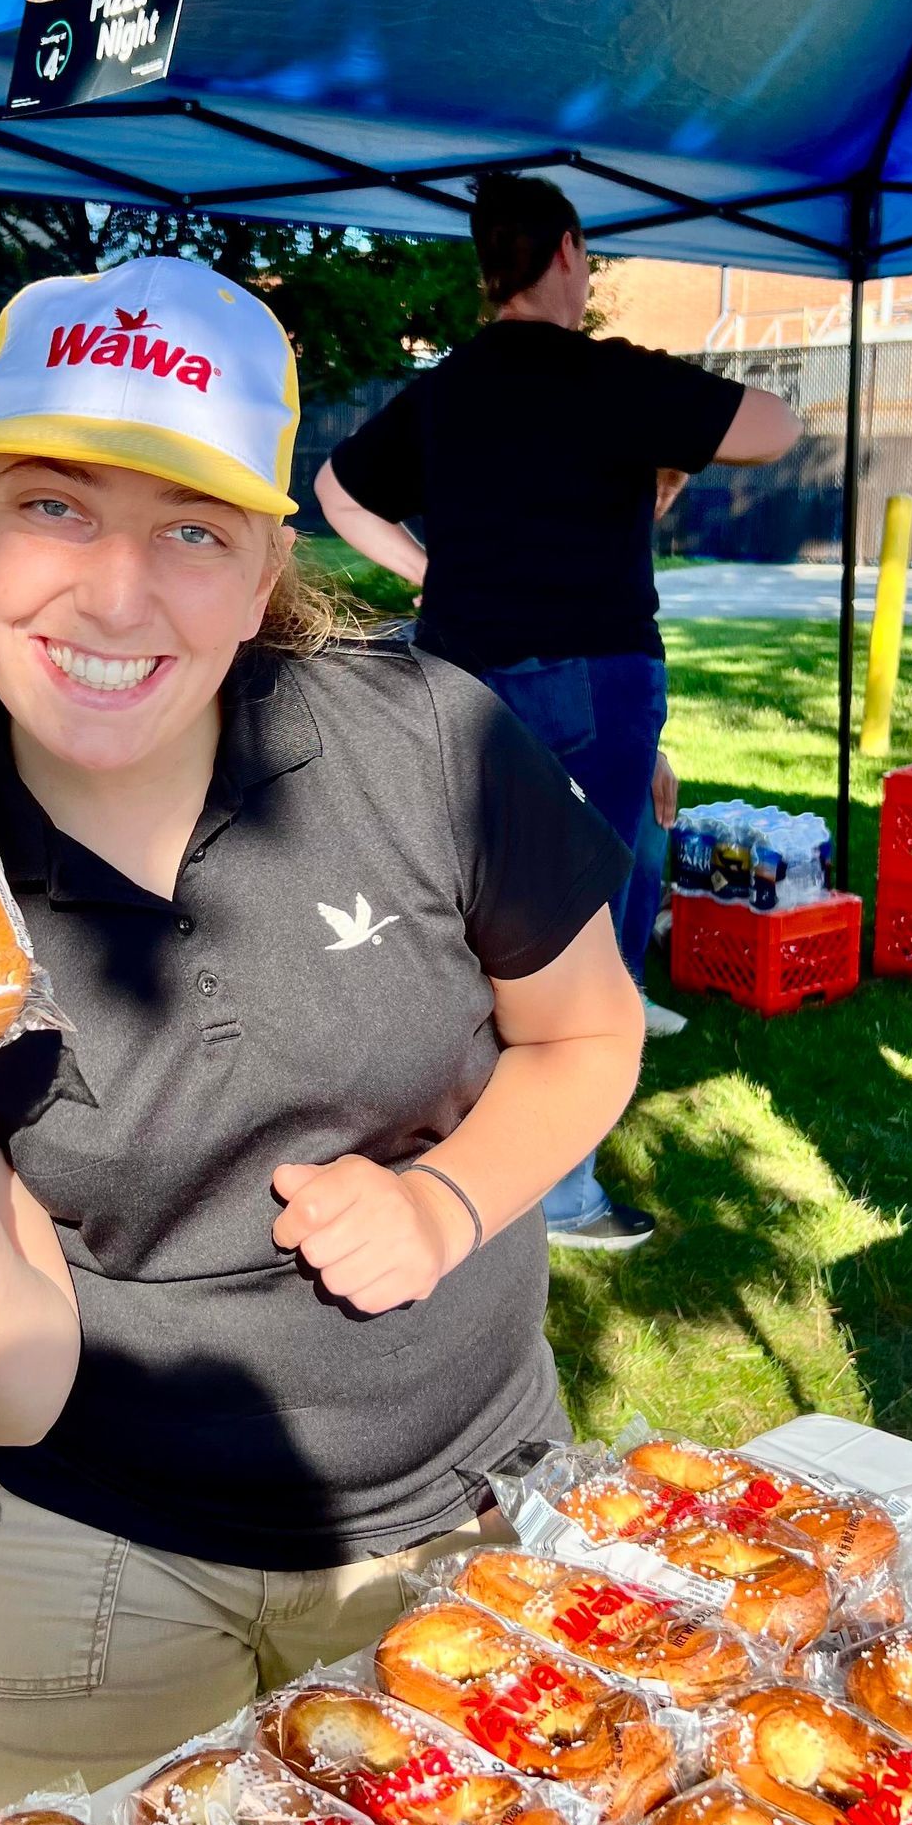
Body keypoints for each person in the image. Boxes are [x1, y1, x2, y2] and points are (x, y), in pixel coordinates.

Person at [0, 256, 647, 1819]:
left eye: (191, 531)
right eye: (54, 506)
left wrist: (444, 1202)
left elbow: (586, 1038)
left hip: (464, 1505)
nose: (118, 597)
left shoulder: (429, 744)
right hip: (93, 1534)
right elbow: (4, 1388)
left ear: (262, 575)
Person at [316, 172, 800, 1249]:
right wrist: (665, 439)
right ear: (570, 254)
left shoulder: (447, 389)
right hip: (591, 679)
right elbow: (775, 423)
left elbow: (338, 488)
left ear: (489, 266)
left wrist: (424, 569)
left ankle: (461, 1125)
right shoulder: (607, 378)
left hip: (459, 682)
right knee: (585, 924)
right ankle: (561, 1185)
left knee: (476, 909)